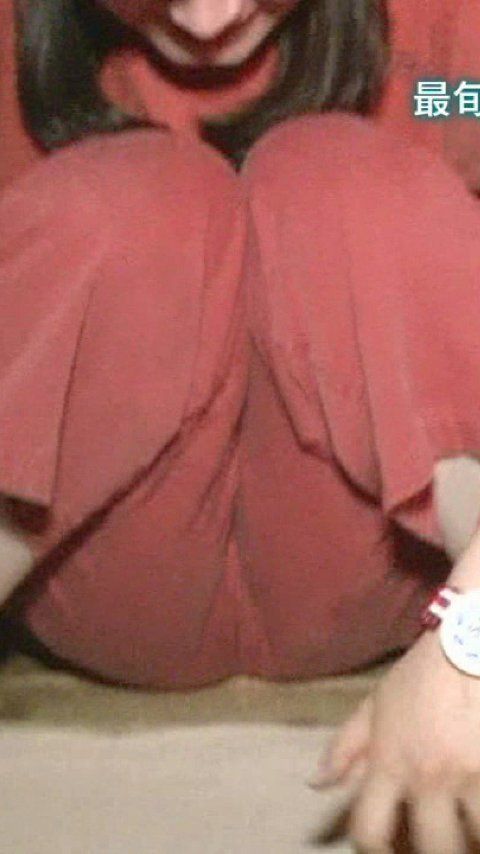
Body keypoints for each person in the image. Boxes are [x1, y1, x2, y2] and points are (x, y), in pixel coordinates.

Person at [2, 2, 480, 849]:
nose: (209, 17)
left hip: (374, 556)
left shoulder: (451, 67)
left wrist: (471, 647)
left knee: (343, 178)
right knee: (134, 204)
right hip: (94, 563)